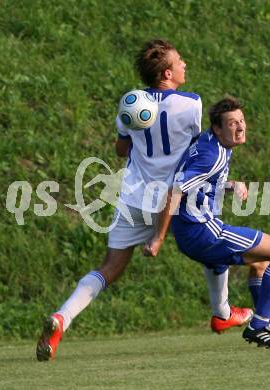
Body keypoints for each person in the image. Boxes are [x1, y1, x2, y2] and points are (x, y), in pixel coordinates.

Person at [36, 40, 251, 361]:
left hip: (135, 197)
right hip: (176, 200)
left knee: (110, 267)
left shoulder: (130, 102)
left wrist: (138, 133)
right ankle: (222, 312)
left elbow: (121, 151)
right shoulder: (191, 104)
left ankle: (62, 318)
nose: (185, 64)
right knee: (211, 241)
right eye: (180, 61)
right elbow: (200, 151)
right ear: (167, 73)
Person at [143, 96, 270, 348]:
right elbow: (174, 191)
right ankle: (259, 325)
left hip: (191, 233)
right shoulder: (212, 154)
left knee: (261, 264)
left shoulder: (211, 144)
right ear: (217, 128)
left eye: (242, 121)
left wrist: (229, 185)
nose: (240, 127)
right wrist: (158, 238)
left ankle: (267, 327)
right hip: (204, 232)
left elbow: (195, 183)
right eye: (232, 123)